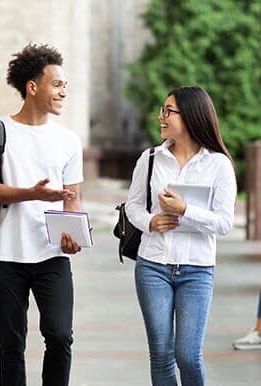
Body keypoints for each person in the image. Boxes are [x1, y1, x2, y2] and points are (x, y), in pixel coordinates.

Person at [0, 43, 84, 386]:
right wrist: (31, 193)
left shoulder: (68, 140)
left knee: (61, 336)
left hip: (51, 254)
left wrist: (73, 236)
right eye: (57, 84)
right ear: (33, 87)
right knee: (11, 343)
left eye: (65, 85)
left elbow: (72, 199)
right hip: (4, 254)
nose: (64, 91)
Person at [126, 86, 236, 386]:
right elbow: (132, 206)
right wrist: (150, 221)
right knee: (161, 355)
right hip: (152, 266)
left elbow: (226, 223)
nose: (160, 117)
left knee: (188, 355)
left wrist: (185, 209)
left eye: (168, 111)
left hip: (197, 269)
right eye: (162, 110)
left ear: (189, 116)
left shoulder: (218, 165)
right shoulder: (149, 159)